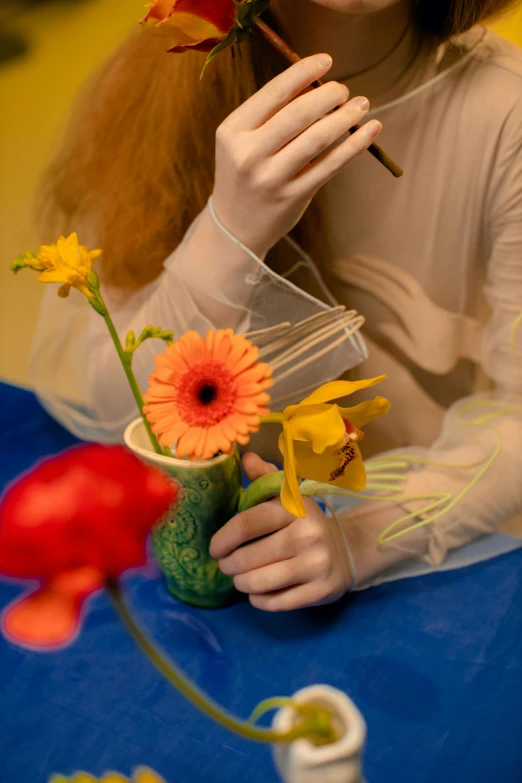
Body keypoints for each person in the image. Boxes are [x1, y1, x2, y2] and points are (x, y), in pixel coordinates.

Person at [32, 0, 522, 610]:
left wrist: (362, 536)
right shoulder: (167, 76)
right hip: (199, 541)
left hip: (419, 516)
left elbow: (517, 417)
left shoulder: (506, 112)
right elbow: (117, 406)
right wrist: (228, 230)